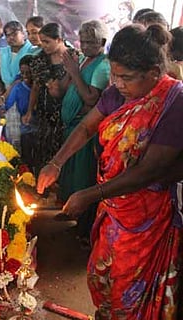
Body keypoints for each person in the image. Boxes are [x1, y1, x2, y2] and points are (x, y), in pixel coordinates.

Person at [37, 24, 183, 319]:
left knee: (131, 287)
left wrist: (89, 195)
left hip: (147, 217)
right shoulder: (119, 93)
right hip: (113, 209)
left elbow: (148, 171)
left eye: (126, 77)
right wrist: (57, 162)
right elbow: (86, 126)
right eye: (114, 74)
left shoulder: (174, 102)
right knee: (103, 277)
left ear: (154, 73)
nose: (116, 83)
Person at [55, 20, 110, 245]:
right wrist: (71, 70)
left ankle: (86, 230)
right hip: (73, 127)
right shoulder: (85, 59)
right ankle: (77, 223)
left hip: (87, 132)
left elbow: (90, 98)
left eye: (90, 42)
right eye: (83, 41)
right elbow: (64, 89)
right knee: (73, 179)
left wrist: (76, 72)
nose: (85, 45)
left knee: (84, 180)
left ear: (103, 42)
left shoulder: (103, 65)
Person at [26, 22, 77, 173]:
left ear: (59, 39)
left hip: (68, 112)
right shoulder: (39, 60)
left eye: (47, 42)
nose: (43, 45)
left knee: (65, 148)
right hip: (46, 112)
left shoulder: (76, 56)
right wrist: (29, 110)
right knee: (44, 147)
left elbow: (62, 89)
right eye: (42, 42)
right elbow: (43, 88)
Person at [0, 55, 37, 168]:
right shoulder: (18, 87)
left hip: (40, 126)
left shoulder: (42, 87)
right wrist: (1, 107)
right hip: (26, 129)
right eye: (22, 73)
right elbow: (6, 106)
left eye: (28, 73)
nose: (25, 76)